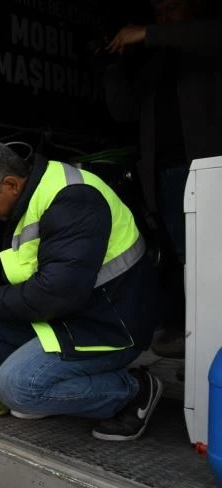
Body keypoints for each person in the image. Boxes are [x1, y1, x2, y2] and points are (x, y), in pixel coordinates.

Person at [0, 139, 162, 441]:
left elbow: (59, 291)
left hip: (106, 326)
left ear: (10, 185)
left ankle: (132, 389)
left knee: (15, 388)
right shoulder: (22, 200)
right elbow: (35, 261)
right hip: (61, 316)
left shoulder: (74, 200)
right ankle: (49, 381)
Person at [104, 0, 222, 355]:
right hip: (165, 175)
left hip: (208, 168)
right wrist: (114, 62)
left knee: (206, 257)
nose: (163, 18)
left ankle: (209, 342)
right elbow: (123, 110)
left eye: (172, 9)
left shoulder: (205, 44)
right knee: (178, 257)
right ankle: (190, 337)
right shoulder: (155, 65)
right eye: (157, 14)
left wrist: (151, 33)